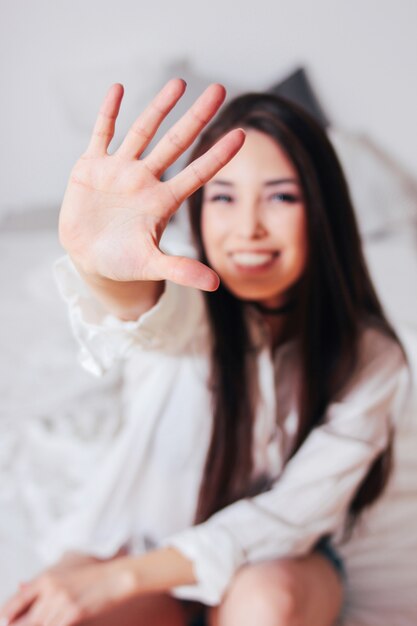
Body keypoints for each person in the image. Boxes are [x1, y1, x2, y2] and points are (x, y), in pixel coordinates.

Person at [0, 79, 410, 626]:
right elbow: (149, 316)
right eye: (223, 196)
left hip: (272, 560)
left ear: (323, 209)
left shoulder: (371, 356)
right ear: (199, 213)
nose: (249, 228)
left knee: (271, 601)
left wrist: (117, 580)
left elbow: (288, 516)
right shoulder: (189, 291)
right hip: (141, 540)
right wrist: (103, 272)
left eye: (282, 196)